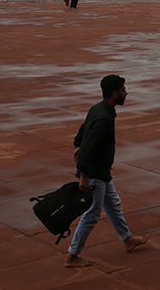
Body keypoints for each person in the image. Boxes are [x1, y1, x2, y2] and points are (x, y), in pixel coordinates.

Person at [64, 75, 149, 267]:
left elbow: (84, 130)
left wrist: (78, 143)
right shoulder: (103, 117)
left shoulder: (99, 108)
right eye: (123, 90)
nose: (126, 93)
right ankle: (72, 255)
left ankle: (127, 239)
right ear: (115, 93)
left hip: (101, 171)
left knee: (113, 203)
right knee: (92, 215)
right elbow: (91, 146)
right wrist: (84, 175)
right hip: (94, 173)